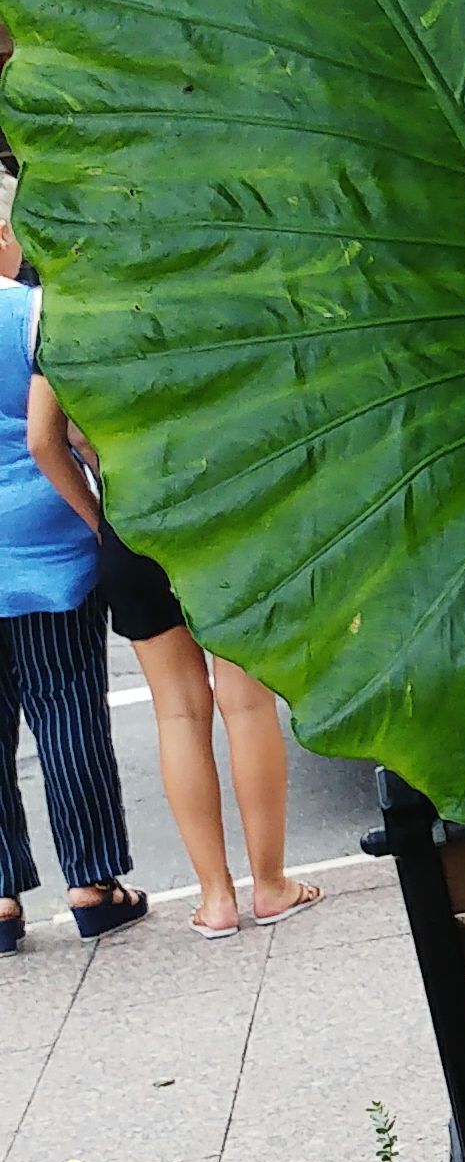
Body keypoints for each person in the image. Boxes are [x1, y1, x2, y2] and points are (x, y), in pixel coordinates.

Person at [25, 383, 318, 940]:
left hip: (131, 519)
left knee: (178, 713)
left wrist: (98, 518)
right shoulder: (202, 296)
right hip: (225, 510)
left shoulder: (71, 316)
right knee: (247, 702)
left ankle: (215, 899)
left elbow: (46, 440)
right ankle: (271, 885)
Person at [0, 182, 144, 951]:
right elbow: (72, 432)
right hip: (46, 539)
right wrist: (99, 519)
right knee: (66, 708)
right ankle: (92, 883)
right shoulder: (30, 315)